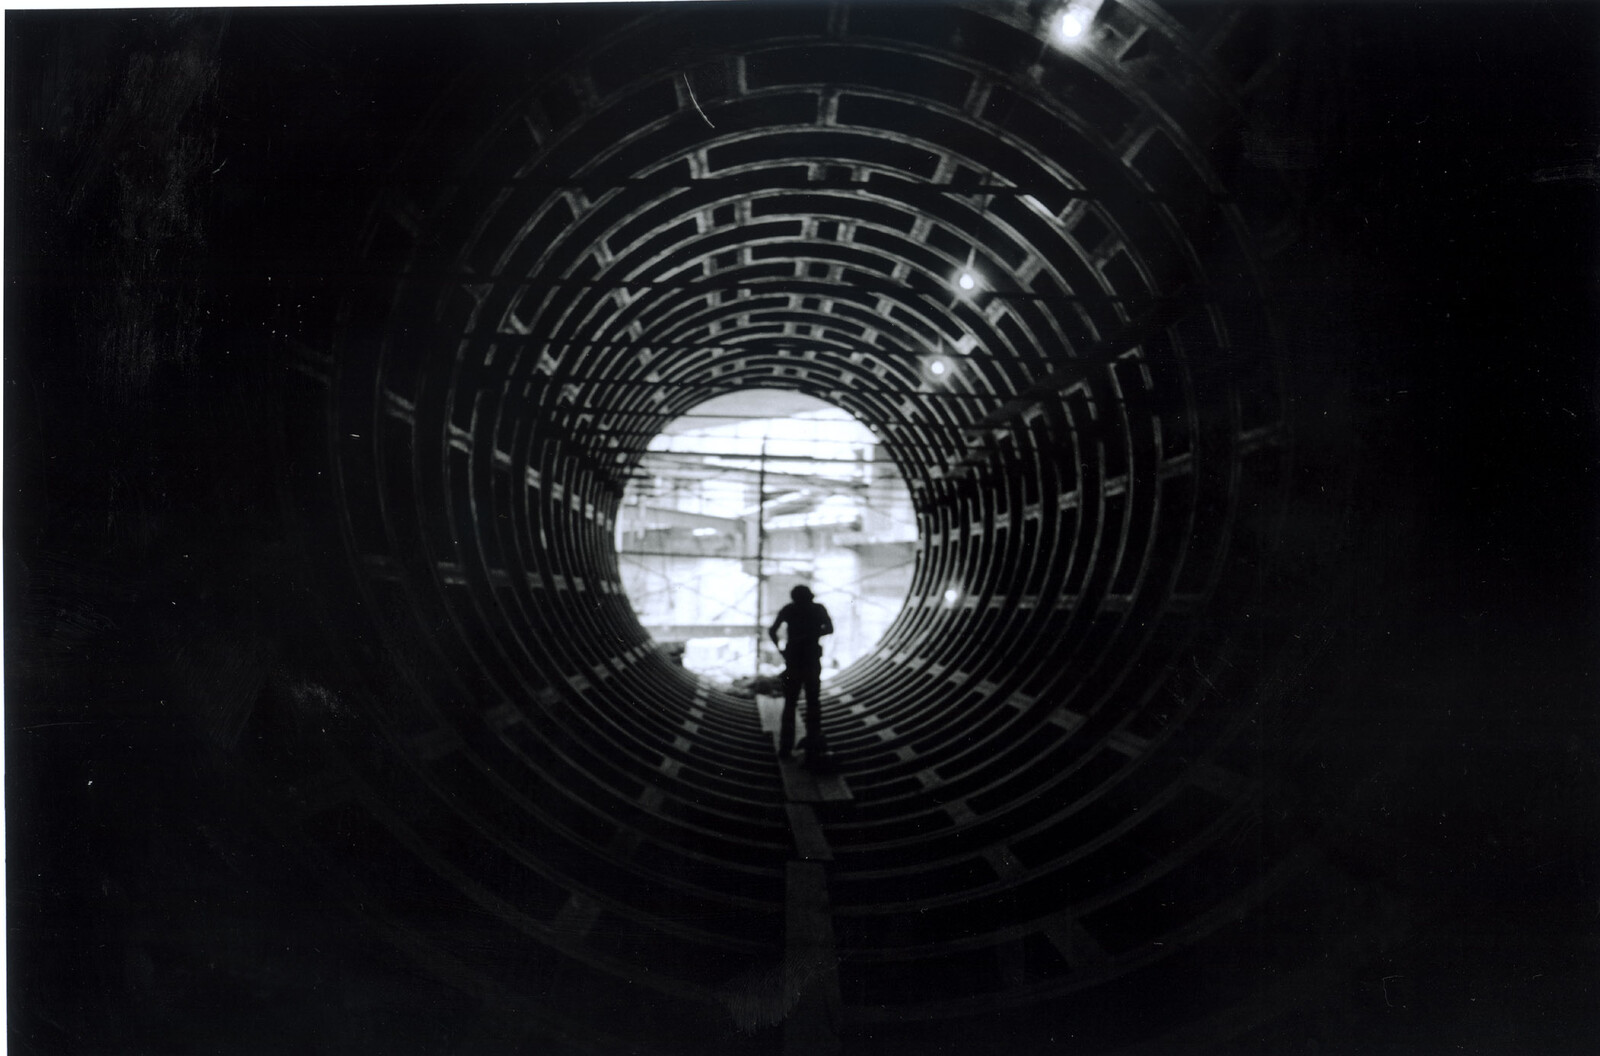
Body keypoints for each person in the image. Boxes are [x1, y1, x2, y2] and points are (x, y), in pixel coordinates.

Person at [768, 585, 834, 769]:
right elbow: (829, 628)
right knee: (813, 702)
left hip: (793, 660)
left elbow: (772, 631)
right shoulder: (818, 608)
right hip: (812, 659)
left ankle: (785, 748)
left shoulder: (789, 609)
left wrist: (781, 650)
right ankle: (813, 747)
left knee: (790, 703)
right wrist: (812, 634)